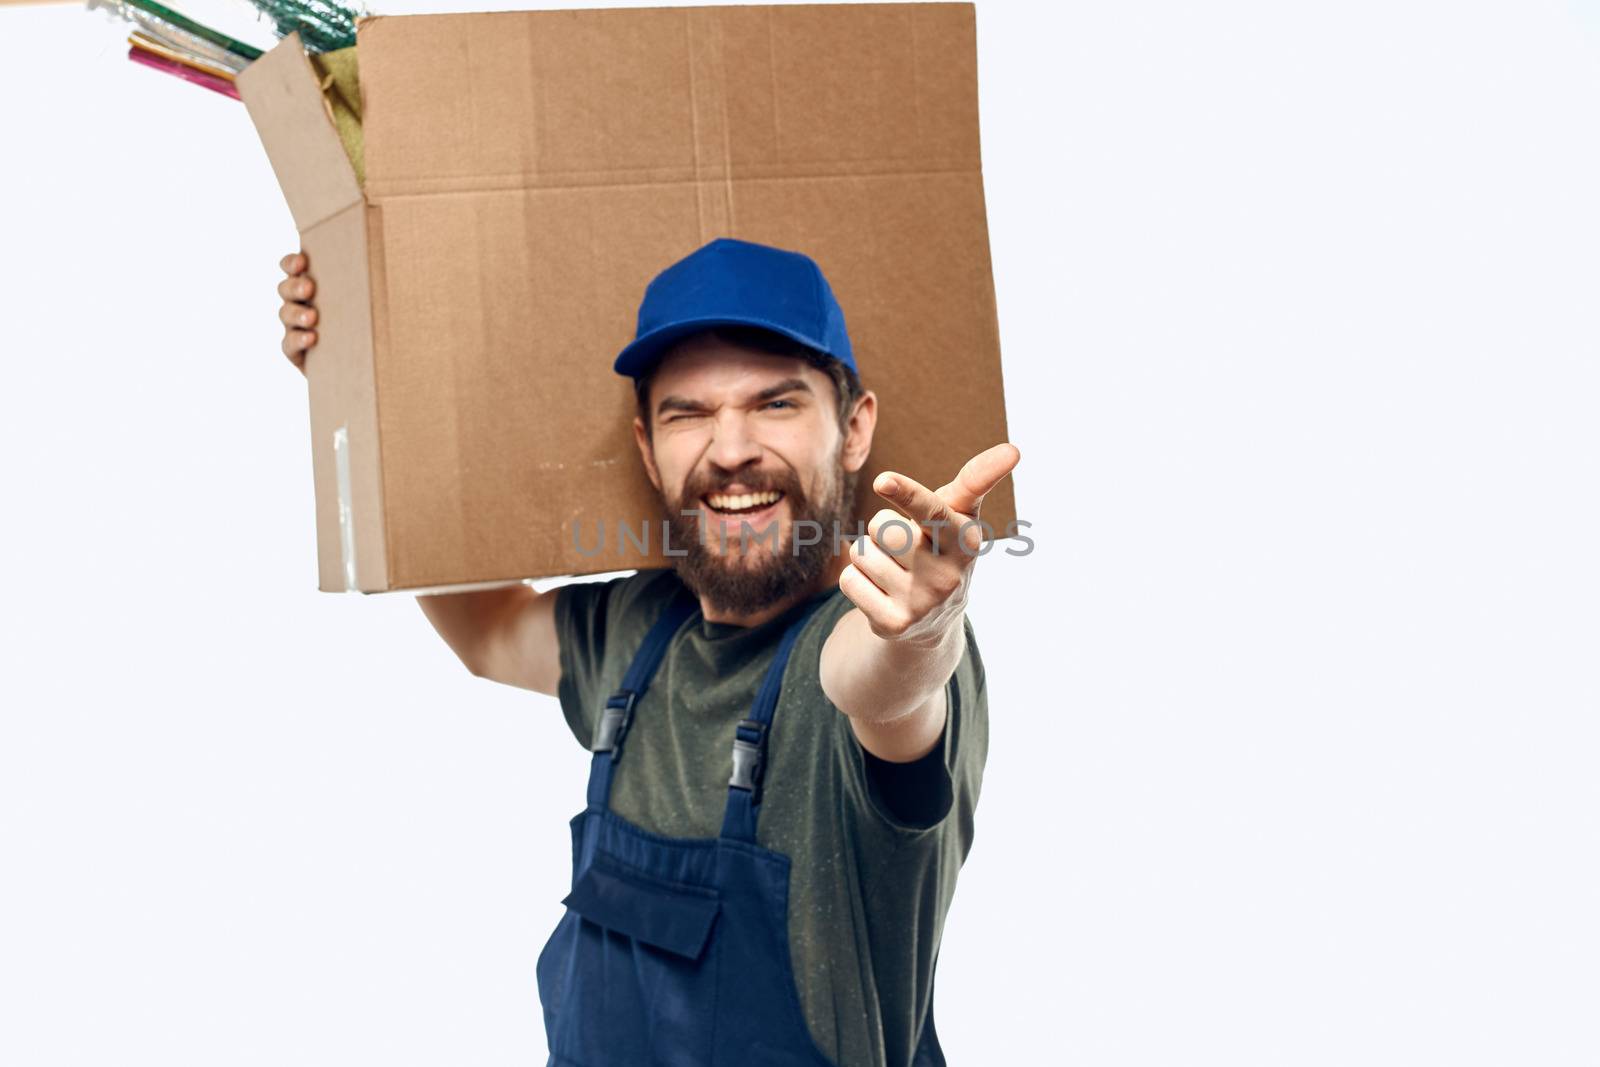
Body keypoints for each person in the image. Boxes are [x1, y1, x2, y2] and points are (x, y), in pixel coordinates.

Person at [275, 236, 1019, 1067]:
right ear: (646, 447)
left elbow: (883, 689)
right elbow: (486, 634)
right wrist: (355, 391)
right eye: (688, 413)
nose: (731, 448)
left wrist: (920, 630)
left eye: (776, 404)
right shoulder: (639, 629)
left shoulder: (853, 645)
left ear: (853, 429)